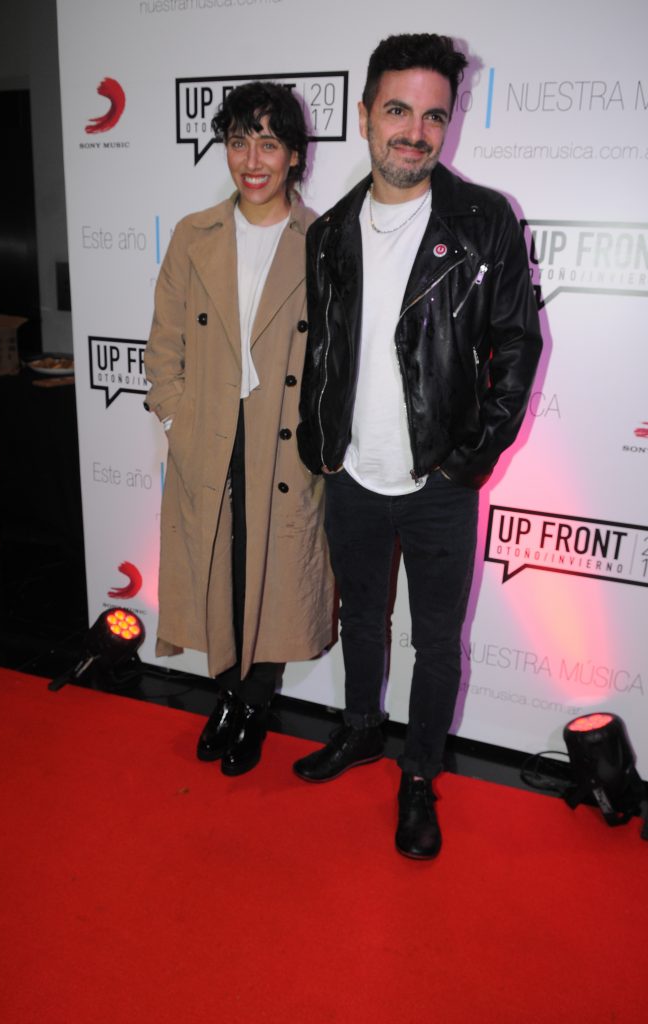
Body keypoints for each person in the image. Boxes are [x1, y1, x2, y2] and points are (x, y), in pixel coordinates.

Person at [294, 34, 542, 858]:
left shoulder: (482, 220)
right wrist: (323, 444)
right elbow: (324, 351)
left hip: (440, 479)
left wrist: (469, 457)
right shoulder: (330, 231)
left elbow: (518, 347)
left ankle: (418, 774)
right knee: (361, 618)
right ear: (365, 114)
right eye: (398, 110)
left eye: (434, 116)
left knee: (435, 641)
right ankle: (362, 727)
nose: (415, 132)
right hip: (351, 473)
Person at [144, 81, 333, 777]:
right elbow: (163, 344)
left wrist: (320, 438)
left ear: (294, 155)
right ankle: (227, 696)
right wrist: (176, 415)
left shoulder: (323, 241)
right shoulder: (192, 235)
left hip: (284, 438)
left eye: (269, 143)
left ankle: (254, 705)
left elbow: (336, 355)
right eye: (238, 142)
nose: (252, 160)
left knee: (274, 571)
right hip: (209, 431)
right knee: (218, 568)